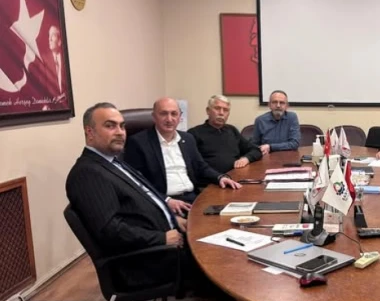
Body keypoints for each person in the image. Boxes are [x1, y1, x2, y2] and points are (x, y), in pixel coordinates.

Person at [65, 102, 187, 287]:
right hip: (146, 260)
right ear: (90, 132)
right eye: (110, 126)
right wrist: (162, 238)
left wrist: (171, 218)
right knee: (219, 261)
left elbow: (144, 200)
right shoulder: (87, 173)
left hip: (164, 242)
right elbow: (110, 231)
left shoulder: (112, 161)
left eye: (122, 126)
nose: (120, 132)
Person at [124, 97, 240, 215]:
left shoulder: (187, 138)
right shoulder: (138, 142)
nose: (169, 119)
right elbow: (136, 181)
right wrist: (166, 200)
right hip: (164, 202)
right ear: (154, 116)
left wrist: (220, 178)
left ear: (180, 117)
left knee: (233, 213)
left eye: (174, 114)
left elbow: (201, 167)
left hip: (193, 198)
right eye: (164, 114)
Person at [188, 94, 262, 173]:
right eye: (217, 108)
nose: (221, 113)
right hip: (210, 179)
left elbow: (256, 150)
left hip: (236, 176)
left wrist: (246, 158)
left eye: (225, 110)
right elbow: (194, 164)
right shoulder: (194, 133)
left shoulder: (232, 130)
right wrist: (219, 177)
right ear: (208, 111)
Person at [252, 90, 301, 155]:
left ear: (287, 106)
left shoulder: (292, 118)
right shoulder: (260, 120)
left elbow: (294, 144)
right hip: (266, 157)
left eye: (282, 103)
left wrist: (270, 147)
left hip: (287, 156)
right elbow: (254, 146)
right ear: (269, 105)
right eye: (274, 102)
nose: (278, 105)